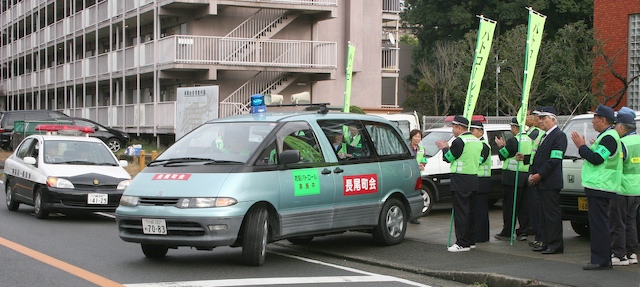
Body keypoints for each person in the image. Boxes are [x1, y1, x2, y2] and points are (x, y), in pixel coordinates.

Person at [571, 104, 622, 270]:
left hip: (601, 187)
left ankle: (600, 260)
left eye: (595, 118)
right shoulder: (607, 136)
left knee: (600, 224)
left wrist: (582, 147)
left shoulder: (609, 137)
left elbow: (596, 159)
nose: (592, 122)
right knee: (600, 224)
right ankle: (602, 258)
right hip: (600, 186)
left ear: (603, 120)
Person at [436, 115, 482, 252]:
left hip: (461, 180)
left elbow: (448, 158)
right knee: (471, 212)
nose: (452, 130)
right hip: (473, 178)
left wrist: (444, 148)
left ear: (459, 127)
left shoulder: (459, 141)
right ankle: (471, 240)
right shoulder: (476, 141)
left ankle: (462, 243)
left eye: (453, 127)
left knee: (461, 212)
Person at [528, 106, 567, 255]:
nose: (541, 121)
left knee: (552, 215)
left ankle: (555, 244)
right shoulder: (545, 136)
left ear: (553, 119)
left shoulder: (559, 136)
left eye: (544, 118)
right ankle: (546, 241)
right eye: (541, 118)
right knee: (543, 215)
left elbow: (554, 160)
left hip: (550, 182)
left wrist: (539, 175)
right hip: (542, 182)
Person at [609, 107, 640, 266]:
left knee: (618, 222)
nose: (614, 129)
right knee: (631, 222)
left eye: (615, 126)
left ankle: (619, 255)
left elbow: (615, 165)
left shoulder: (622, 143)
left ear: (622, 127)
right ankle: (632, 253)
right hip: (636, 190)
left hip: (621, 189)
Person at [494, 117, 531, 242]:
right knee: (523, 206)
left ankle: (507, 232)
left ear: (515, 127)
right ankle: (523, 231)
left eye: (511, 127)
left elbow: (502, 155)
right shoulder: (529, 139)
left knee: (510, 206)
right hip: (525, 176)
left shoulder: (513, 140)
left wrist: (500, 146)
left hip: (512, 176)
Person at [526, 107, 545, 249]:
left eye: (539, 117)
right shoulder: (540, 135)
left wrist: (538, 174)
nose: (537, 119)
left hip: (541, 177)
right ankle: (538, 237)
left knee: (541, 211)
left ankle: (542, 239)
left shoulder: (543, 134)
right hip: (533, 173)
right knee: (535, 210)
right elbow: (535, 155)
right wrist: (525, 158)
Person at [470, 120, 491, 242]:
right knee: (476, 210)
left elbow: (478, 161)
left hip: (482, 180)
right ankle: (477, 234)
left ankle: (481, 236)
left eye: (474, 130)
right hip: (477, 179)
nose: (472, 133)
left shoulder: (484, 145)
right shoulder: (477, 144)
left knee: (481, 210)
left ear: (481, 132)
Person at [409, 129, 427, 224]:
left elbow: (424, 159)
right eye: (415, 136)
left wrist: (423, 164)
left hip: (418, 176)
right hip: (408, 174)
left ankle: (414, 216)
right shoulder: (407, 147)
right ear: (411, 137)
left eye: (419, 137)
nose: (417, 138)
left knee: (417, 195)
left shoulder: (422, 149)